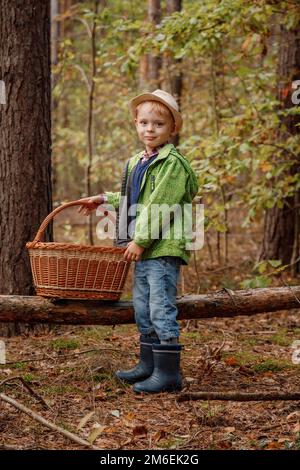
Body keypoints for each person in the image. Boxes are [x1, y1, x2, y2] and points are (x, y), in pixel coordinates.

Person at [78, 89, 199, 393]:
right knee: (142, 307)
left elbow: (162, 204)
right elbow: (137, 198)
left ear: (172, 129)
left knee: (160, 306)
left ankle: (169, 373)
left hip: (161, 246)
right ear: (135, 124)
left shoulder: (172, 164)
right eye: (144, 123)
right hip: (143, 248)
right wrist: (103, 198)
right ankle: (149, 364)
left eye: (158, 124)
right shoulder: (139, 161)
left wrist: (141, 240)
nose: (150, 129)